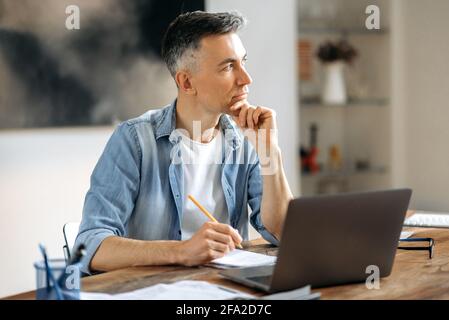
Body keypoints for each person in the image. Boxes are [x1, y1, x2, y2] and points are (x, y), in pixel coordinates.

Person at [75, 11, 293, 275]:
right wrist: (182, 251)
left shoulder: (244, 141)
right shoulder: (134, 141)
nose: (246, 79)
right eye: (228, 67)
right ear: (186, 82)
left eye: (243, 62)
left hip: (224, 289)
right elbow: (89, 245)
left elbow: (284, 234)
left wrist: (271, 151)